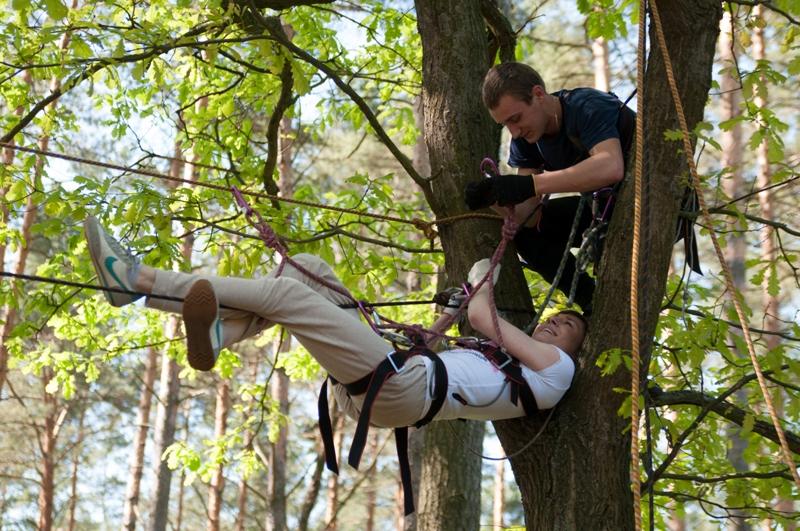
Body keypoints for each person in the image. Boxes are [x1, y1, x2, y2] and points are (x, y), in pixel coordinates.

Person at [84, 215, 587, 428]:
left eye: (563, 328)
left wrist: (485, 271)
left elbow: (483, 312)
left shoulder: (557, 371)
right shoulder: (505, 364)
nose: (550, 328)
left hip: (404, 387)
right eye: (553, 322)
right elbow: (437, 343)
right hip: (399, 379)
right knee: (311, 274)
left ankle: (138, 280)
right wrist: (453, 311)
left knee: (284, 295)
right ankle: (222, 332)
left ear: (570, 350)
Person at [465, 61, 637, 313]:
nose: (514, 132)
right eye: (506, 125)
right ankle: (593, 302)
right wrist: (493, 198)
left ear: (538, 94)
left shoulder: (586, 106)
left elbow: (610, 166)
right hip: (604, 212)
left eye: (516, 118)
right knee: (527, 234)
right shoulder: (526, 141)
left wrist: (530, 184)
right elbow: (527, 217)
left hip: (645, 203)